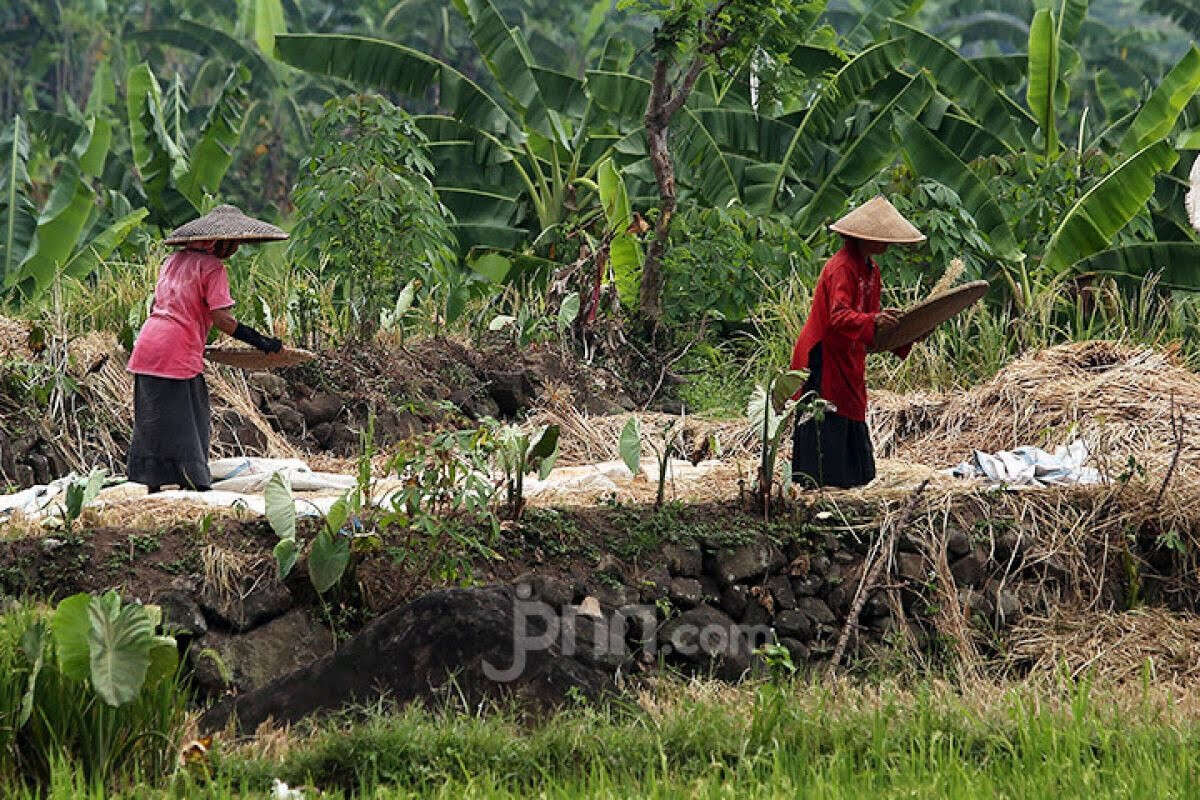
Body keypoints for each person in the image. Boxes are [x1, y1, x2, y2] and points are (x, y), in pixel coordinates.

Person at [126, 205, 288, 493]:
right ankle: (195, 483)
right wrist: (260, 341)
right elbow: (222, 319)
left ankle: (153, 484)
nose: (235, 249)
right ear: (221, 242)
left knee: (154, 421)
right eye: (234, 244)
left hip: (147, 345)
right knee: (190, 420)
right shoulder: (213, 268)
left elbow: (161, 306)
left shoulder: (171, 261)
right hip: (176, 349)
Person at [790, 195, 925, 489]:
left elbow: (869, 322)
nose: (888, 244)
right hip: (823, 354)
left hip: (849, 354)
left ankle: (848, 482)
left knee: (850, 410)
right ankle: (818, 484)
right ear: (866, 238)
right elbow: (838, 316)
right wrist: (873, 321)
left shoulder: (871, 270)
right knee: (823, 413)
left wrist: (904, 333)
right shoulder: (842, 268)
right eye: (882, 239)